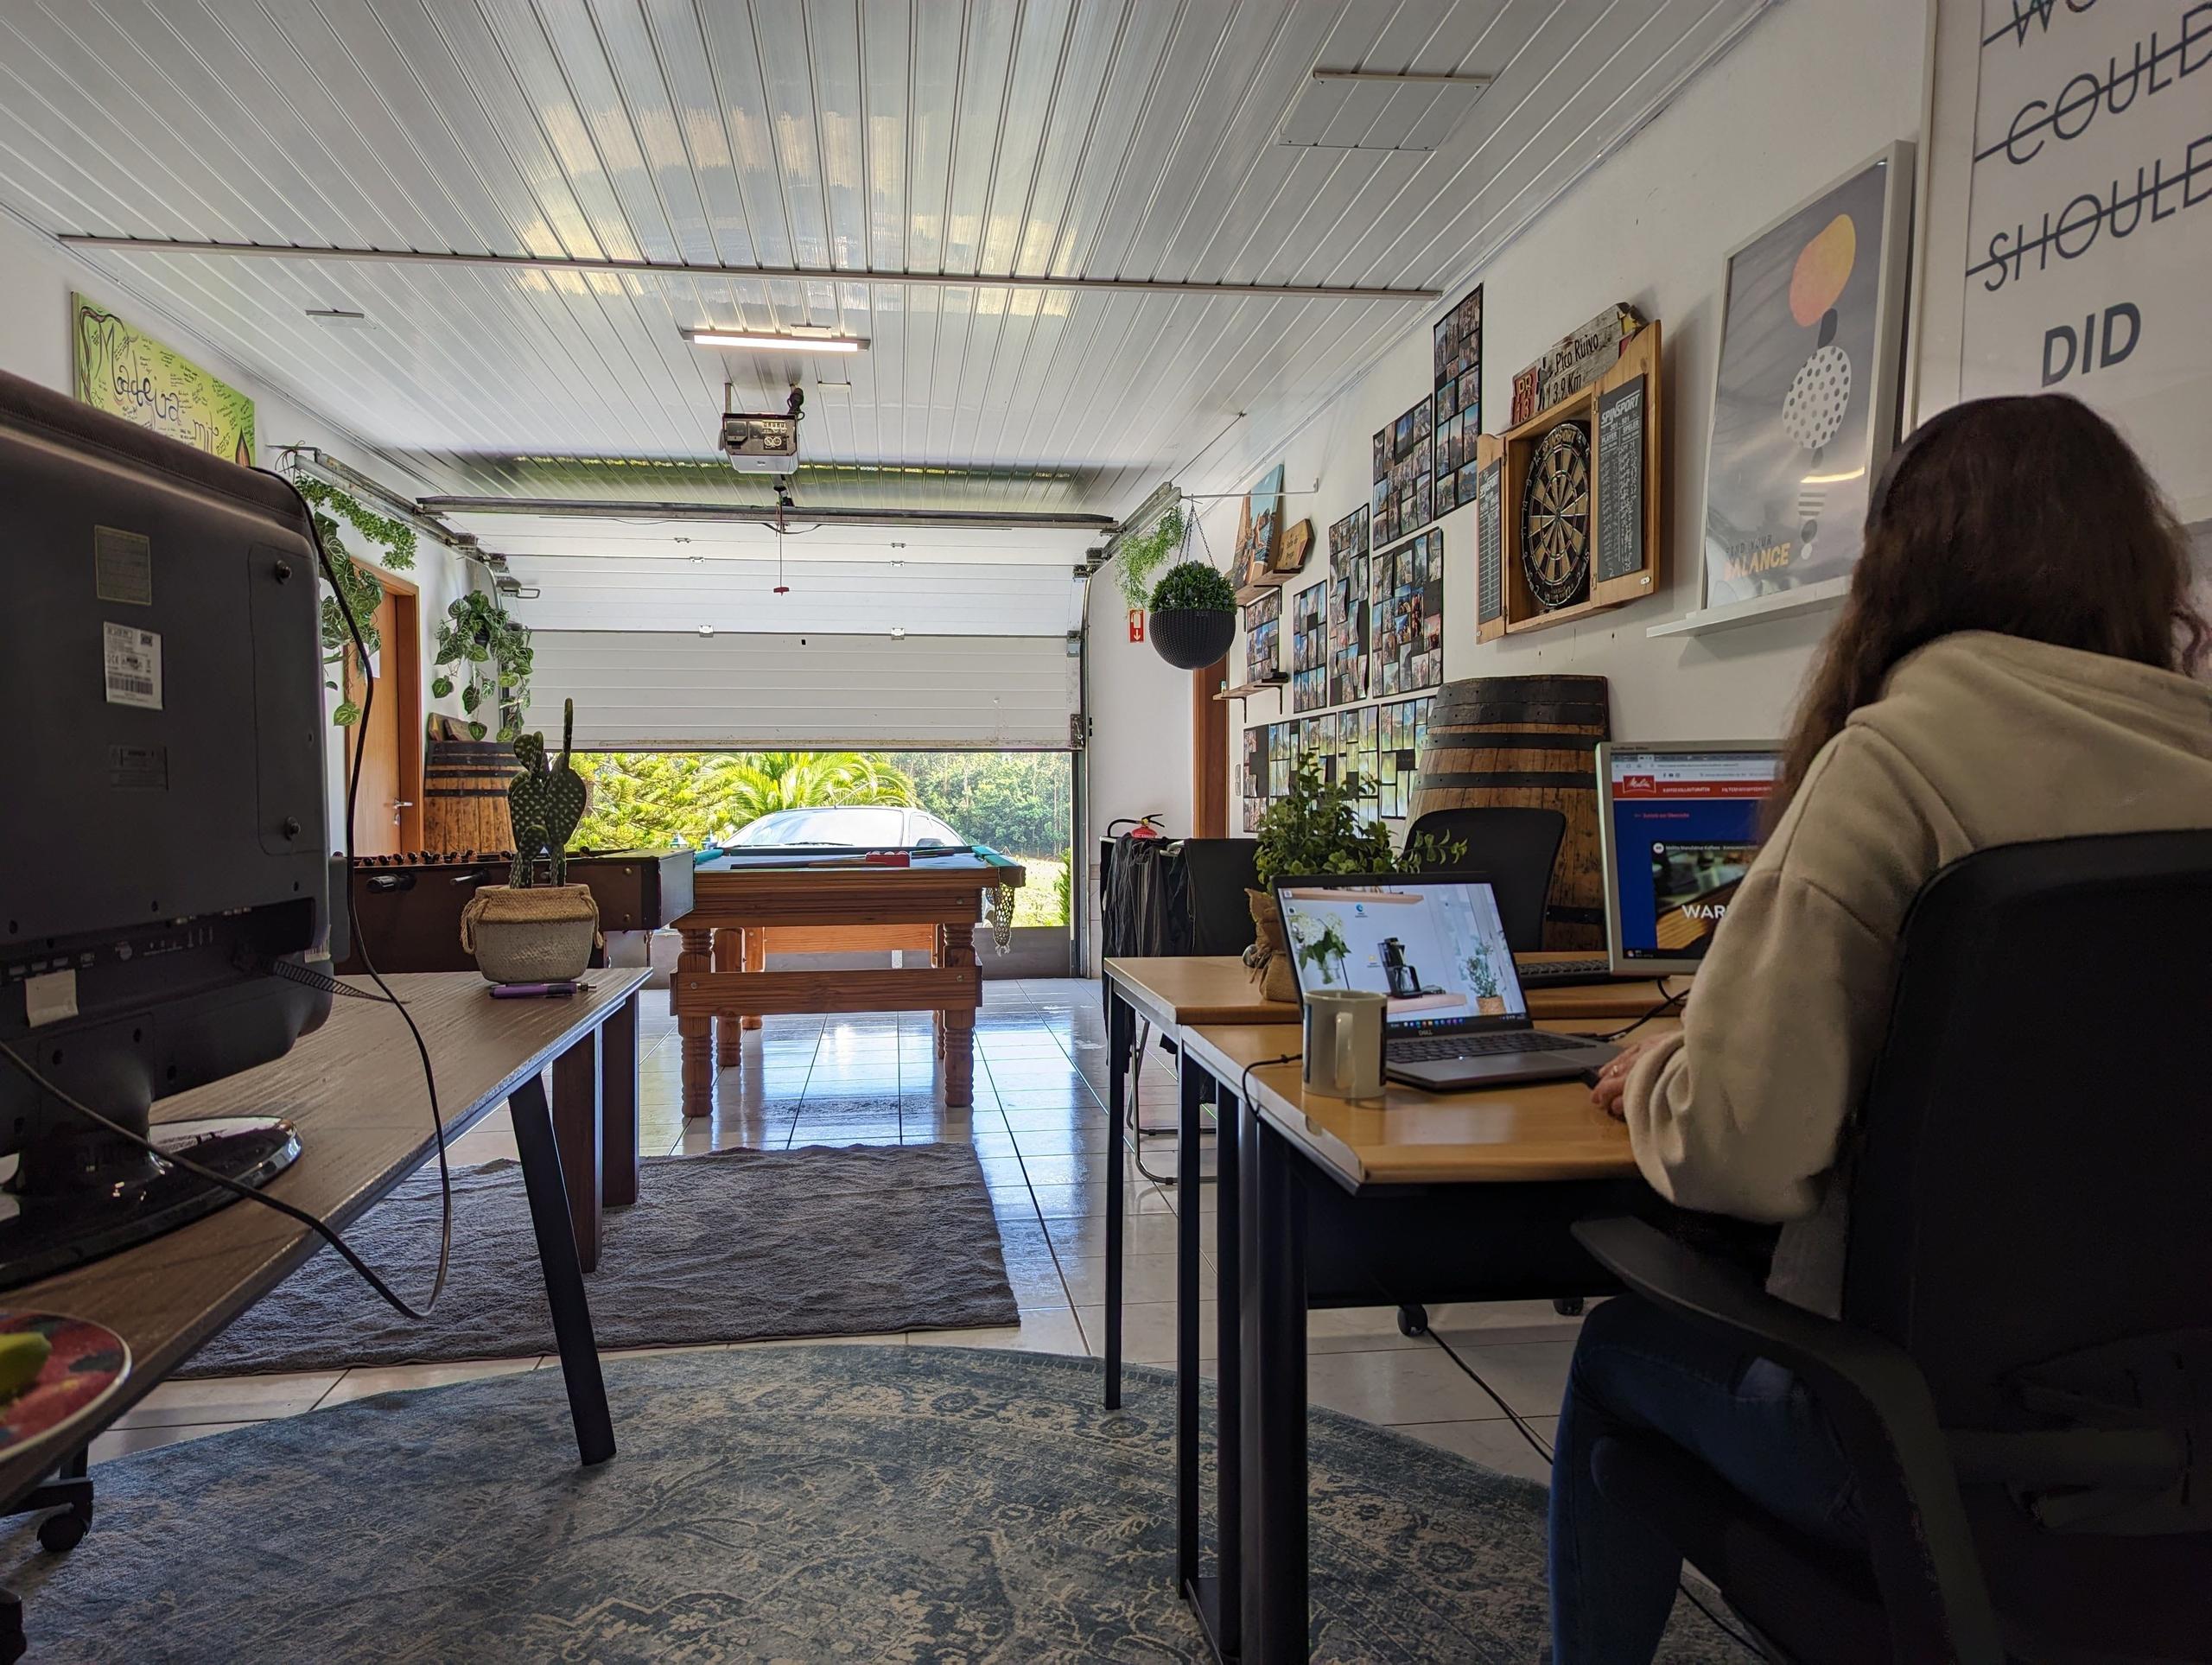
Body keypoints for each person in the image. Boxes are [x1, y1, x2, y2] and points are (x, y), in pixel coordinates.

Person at [1548, 393, 2212, 1662]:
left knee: (1620, 1348)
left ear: (1900, 566)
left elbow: (1742, 1152)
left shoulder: (1893, 767)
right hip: (2178, 1453)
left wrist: (1666, 1072)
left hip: (1913, 1463)